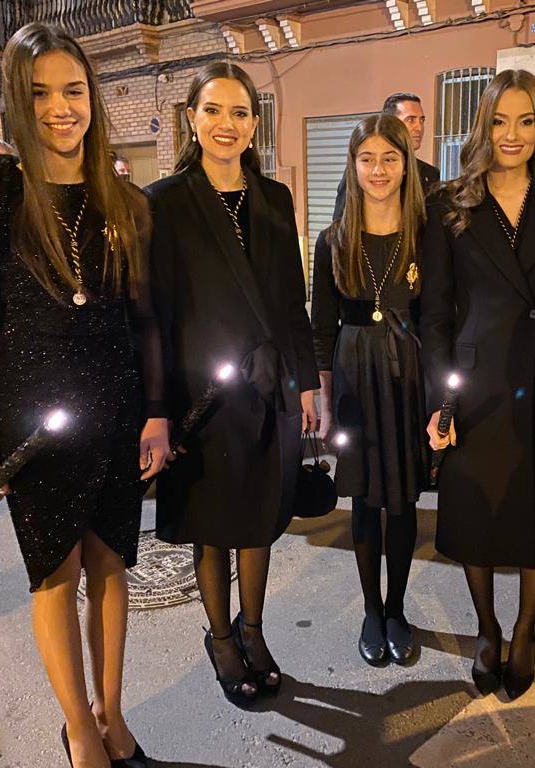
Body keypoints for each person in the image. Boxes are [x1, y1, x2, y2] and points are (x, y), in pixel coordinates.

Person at [0, 23, 168, 768]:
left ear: (93, 98)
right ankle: (78, 731)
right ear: (17, 100)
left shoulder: (122, 196)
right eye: (41, 94)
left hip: (118, 406)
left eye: (74, 91)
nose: (61, 108)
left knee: (111, 566)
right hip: (32, 414)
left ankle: (113, 714)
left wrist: (157, 411)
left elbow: (145, 319)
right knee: (56, 572)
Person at [421, 69, 535, 701]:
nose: (513, 134)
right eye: (500, 121)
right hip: (476, 386)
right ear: (483, 127)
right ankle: (487, 627)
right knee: (477, 512)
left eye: (526, 120)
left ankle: (526, 629)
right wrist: (439, 399)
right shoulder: (451, 204)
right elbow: (437, 312)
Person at [146, 62, 319, 709]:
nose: (227, 124)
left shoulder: (274, 198)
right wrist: (157, 411)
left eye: (240, 112)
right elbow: (155, 316)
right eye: (213, 110)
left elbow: (291, 302)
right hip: (203, 398)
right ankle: (220, 638)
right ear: (191, 117)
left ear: (254, 124)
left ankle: (255, 630)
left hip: (269, 389)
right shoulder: (163, 201)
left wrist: (305, 385)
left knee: (258, 523)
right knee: (211, 526)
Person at [311, 114, 429, 667]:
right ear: (352, 165)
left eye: (389, 158)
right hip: (355, 373)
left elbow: (439, 318)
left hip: (409, 375)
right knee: (363, 498)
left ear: (406, 164)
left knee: (402, 500)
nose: (378, 170)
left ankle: (399, 607)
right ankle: (370, 609)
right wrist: (323, 399)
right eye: (367, 159)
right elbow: (321, 328)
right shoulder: (332, 240)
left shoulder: (426, 237)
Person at [332, 92, 439, 221]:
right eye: (411, 120)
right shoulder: (364, 173)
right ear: (390, 124)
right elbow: (341, 221)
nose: (419, 127)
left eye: (421, 120)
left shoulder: (430, 174)